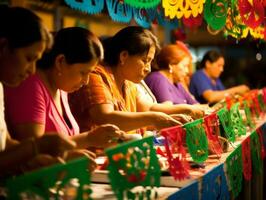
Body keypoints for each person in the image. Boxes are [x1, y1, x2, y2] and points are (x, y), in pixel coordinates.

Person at [4, 27, 126, 150]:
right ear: (60, 62)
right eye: (83, 73)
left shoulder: (61, 89)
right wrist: (89, 139)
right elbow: (37, 152)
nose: (86, 81)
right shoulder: (30, 85)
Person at [69, 26, 205, 135]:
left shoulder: (128, 82)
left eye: (150, 62)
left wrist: (184, 111)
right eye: (145, 61)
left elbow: (149, 107)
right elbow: (105, 117)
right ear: (123, 56)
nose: (148, 69)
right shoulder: (95, 75)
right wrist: (154, 118)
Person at [0, 5, 77, 175]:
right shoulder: (31, 85)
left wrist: (36, 161)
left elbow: (4, 144)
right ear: (3, 47)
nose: (32, 70)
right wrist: (36, 147)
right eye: (29, 58)